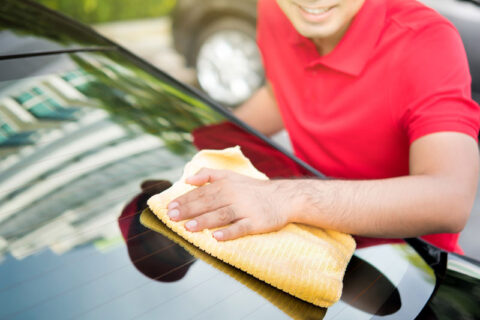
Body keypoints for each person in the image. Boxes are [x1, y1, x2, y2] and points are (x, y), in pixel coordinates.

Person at [166, 0, 480, 253]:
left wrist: (285, 198)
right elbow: (282, 93)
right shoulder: (278, 10)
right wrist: (196, 144)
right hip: (310, 244)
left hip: (406, 268)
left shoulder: (425, 40)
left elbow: (450, 195)